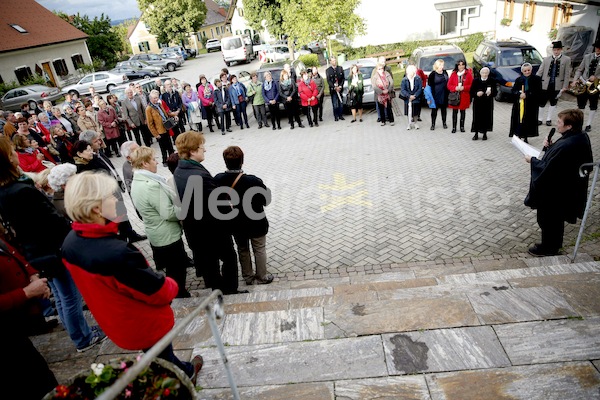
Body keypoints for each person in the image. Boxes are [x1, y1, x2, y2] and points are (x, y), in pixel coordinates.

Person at [61, 172, 203, 383]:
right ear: (96, 208)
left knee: (157, 353)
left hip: (115, 319)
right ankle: (183, 374)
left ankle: (170, 370)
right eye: (112, 196)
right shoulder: (116, 253)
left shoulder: (71, 241)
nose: (117, 200)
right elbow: (158, 292)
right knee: (162, 354)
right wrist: (172, 284)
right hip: (142, 323)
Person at [0, 136, 106, 353]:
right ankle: (82, 338)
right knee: (69, 296)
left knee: (60, 295)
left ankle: (78, 331)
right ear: (6, 159)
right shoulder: (21, 190)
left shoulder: (9, 189)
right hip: (50, 250)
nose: (15, 155)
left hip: (37, 250)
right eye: (11, 152)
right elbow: (50, 221)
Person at [173, 131, 245, 295]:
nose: (204, 149)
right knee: (228, 258)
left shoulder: (180, 168)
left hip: (196, 227)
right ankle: (229, 291)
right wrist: (228, 205)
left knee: (210, 262)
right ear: (192, 151)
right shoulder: (197, 174)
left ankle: (217, 290)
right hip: (211, 229)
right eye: (201, 147)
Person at [524, 109, 593, 256]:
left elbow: (549, 169)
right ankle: (552, 245)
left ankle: (548, 248)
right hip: (564, 188)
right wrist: (551, 147)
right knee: (554, 220)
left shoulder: (568, 144)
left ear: (569, 126)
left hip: (556, 190)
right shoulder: (579, 136)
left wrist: (533, 160)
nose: (557, 124)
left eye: (560, 122)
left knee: (549, 219)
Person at [0, 237, 58, 400]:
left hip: (16, 329)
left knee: (44, 380)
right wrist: (27, 292)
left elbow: (14, 254)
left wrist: (33, 275)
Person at [130, 146, 191, 298]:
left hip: (156, 233)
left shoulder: (138, 181)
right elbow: (168, 213)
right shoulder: (151, 186)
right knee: (176, 270)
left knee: (172, 269)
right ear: (144, 163)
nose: (157, 162)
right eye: (153, 160)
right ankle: (180, 296)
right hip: (167, 235)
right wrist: (185, 209)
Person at [214, 146, 273, 286]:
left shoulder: (218, 180)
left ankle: (248, 276)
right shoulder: (253, 181)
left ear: (225, 161)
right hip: (256, 222)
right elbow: (266, 201)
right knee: (259, 248)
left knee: (242, 249)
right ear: (242, 161)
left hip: (235, 223)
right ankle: (262, 276)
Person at [537, 41, 572, 127]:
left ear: (561, 50)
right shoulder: (546, 59)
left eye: (558, 50)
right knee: (542, 102)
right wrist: (535, 82)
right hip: (545, 84)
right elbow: (540, 72)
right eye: (555, 50)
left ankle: (549, 119)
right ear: (552, 50)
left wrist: (565, 86)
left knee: (553, 102)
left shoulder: (566, 59)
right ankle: (540, 119)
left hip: (557, 85)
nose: (556, 52)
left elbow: (567, 74)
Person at [509, 62, 542, 143]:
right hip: (519, 104)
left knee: (528, 120)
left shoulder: (536, 79)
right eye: (525, 71)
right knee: (519, 120)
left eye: (528, 70)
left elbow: (538, 91)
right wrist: (519, 94)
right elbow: (513, 90)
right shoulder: (519, 79)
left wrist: (527, 95)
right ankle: (518, 135)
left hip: (531, 104)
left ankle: (526, 136)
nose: (527, 72)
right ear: (522, 71)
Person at [572, 39, 600, 132]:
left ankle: (588, 124)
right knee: (580, 104)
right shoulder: (587, 56)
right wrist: (575, 79)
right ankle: (580, 123)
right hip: (583, 83)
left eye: (599, 48)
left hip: (595, 86)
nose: (598, 50)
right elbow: (580, 69)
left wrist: (596, 77)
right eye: (596, 47)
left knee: (593, 105)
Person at [146, 89, 176, 165]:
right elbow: (150, 124)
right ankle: (165, 160)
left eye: (157, 97)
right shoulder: (149, 108)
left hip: (166, 127)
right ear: (151, 99)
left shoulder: (159, 104)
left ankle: (173, 159)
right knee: (163, 147)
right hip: (159, 131)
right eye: (154, 98)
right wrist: (156, 134)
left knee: (170, 145)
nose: (156, 99)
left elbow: (165, 114)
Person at [447, 59, 473, 133]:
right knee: (454, 112)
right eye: (459, 65)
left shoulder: (468, 74)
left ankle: (462, 127)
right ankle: (454, 127)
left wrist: (464, 88)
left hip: (464, 96)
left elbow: (471, 85)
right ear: (457, 66)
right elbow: (449, 85)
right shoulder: (454, 74)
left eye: (463, 65)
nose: (461, 66)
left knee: (463, 112)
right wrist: (455, 88)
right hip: (455, 96)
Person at [470, 67, 496, 141]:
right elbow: (471, 91)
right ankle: (476, 133)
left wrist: (490, 93)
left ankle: (485, 133)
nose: (484, 74)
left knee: (486, 118)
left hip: (487, 102)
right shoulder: (476, 81)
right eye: (483, 73)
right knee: (477, 117)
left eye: (486, 73)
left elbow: (495, 92)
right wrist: (476, 94)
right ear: (480, 73)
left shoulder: (492, 81)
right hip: (478, 102)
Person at [400, 65, 423, 130]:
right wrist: (409, 96)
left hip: (416, 97)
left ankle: (415, 123)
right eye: (409, 73)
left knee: (415, 112)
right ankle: (409, 124)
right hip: (408, 98)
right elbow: (403, 89)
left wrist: (415, 96)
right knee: (408, 112)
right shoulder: (404, 80)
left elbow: (420, 88)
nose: (410, 74)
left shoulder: (418, 78)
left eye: (412, 73)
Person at [428, 59, 449, 130]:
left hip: (444, 94)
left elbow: (448, 82)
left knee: (444, 110)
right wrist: (429, 97)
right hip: (435, 95)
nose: (441, 67)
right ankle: (433, 124)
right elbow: (429, 86)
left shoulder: (445, 72)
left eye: (442, 65)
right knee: (434, 110)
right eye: (440, 65)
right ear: (436, 65)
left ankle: (444, 123)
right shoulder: (432, 74)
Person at [373, 62, 394, 126]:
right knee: (381, 108)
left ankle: (391, 120)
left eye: (382, 68)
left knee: (389, 108)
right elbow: (374, 86)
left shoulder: (387, 74)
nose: (381, 70)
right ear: (377, 70)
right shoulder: (375, 76)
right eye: (379, 69)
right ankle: (383, 120)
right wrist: (381, 91)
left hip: (387, 93)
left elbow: (391, 82)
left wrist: (388, 89)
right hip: (380, 95)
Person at [326, 57, 345, 121]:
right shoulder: (328, 70)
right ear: (330, 62)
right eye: (333, 61)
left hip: (339, 89)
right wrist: (334, 87)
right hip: (333, 90)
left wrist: (340, 86)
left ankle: (340, 115)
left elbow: (343, 78)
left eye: (335, 60)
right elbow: (328, 80)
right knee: (335, 104)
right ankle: (336, 116)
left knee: (341, 103)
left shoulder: (340, 68)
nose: (334, 62)